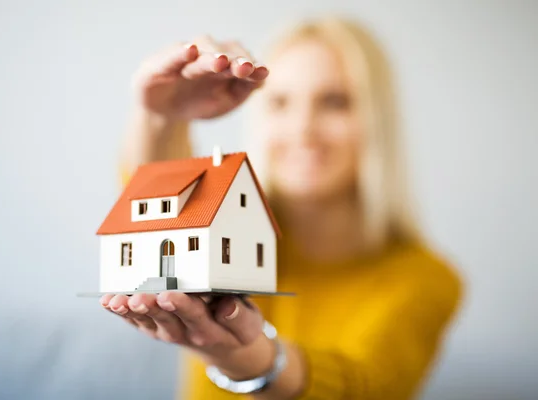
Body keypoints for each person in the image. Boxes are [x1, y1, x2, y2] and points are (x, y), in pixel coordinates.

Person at [99, 15, 464, 400]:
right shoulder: (225, 224)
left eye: (335, 102)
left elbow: (362, 387)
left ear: (376, 121)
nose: (303, 128)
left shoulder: (426, 280)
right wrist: (162, 116)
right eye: (280, 102)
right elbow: (157, 203)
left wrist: (252, 361)